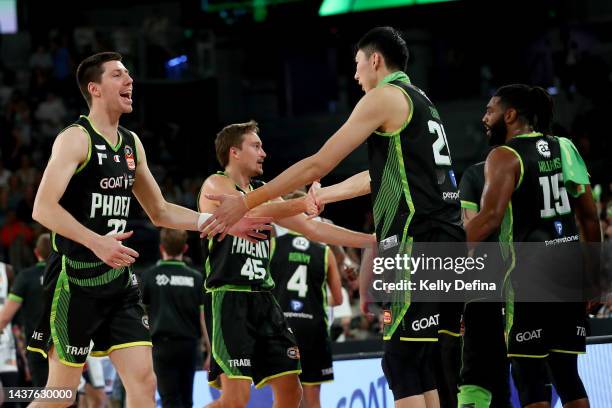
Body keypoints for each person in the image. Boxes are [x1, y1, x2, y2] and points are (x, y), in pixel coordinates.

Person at [202, 27, 464, 407]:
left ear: (375, 61)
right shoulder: (421, 101)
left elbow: (317, 163)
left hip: (416, 240)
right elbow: (378, 177)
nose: (356, 76)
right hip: (446, 239)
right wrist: (325, 195)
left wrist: (247, 202)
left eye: (358, 65)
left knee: (404, 363)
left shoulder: (383, 96)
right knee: (427, 364)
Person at [26, 51, 270, 408]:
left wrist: (223, 222)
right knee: (61, 395)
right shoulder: (75, 139)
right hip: (75, 281)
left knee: (144, 381)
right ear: (94, 88)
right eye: (118, 76)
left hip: (119, 284)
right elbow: (42, 208)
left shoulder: (131, 143)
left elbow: (159, 211)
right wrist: (97, 243)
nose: (130, 81)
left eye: (129, 74)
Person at [199, 120, 375, 408]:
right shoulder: (215, 185)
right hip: (229, 297)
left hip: (266, 301)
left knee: (292, 391)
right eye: (256, 146)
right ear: (234, 152)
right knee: (234, 400)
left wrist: (369, 240)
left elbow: (313, 229)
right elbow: (251, 213)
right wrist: (301, 203)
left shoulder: (261, 189)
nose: (263, 153)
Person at [465, 84, 601, 408]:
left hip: (528, 279)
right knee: (567, 376)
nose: (485, 118)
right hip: (568, 279)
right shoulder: (565, 147)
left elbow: (489, 219)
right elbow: (589, 218)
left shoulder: (503, 155)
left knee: (529, 379)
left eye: (490, 110)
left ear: (509, 115)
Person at [270, 222, 343, 408]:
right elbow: (338, 299)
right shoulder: (324, 251)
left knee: (284, 398)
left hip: (282, 328)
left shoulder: (273, 245)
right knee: (312, 400)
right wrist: (314, 300)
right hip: (313, 328)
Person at [458, 162, 511, 408]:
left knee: (475, 371)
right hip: (527, 281)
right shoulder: (542, 162)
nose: (484, 119)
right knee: (518, 375)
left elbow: (469, 237)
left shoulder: (475, 174)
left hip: (483, 287)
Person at [141, 228, 209, 408]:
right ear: (185, 248)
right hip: (189, 346)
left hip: (161, 346)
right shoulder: (196, 277)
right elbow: (203, 318)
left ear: (161, 247)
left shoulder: (149, 276)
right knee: (187, 399)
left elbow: (141, 315)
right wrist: (210, 351)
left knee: (169, 399)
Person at [0, 233, 51, 387]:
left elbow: (5, 317)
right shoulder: (69, 274)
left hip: (36, 343)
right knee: (65, 396)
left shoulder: (25, 277)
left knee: (44, 396)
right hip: (66, 344)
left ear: (36, 252)